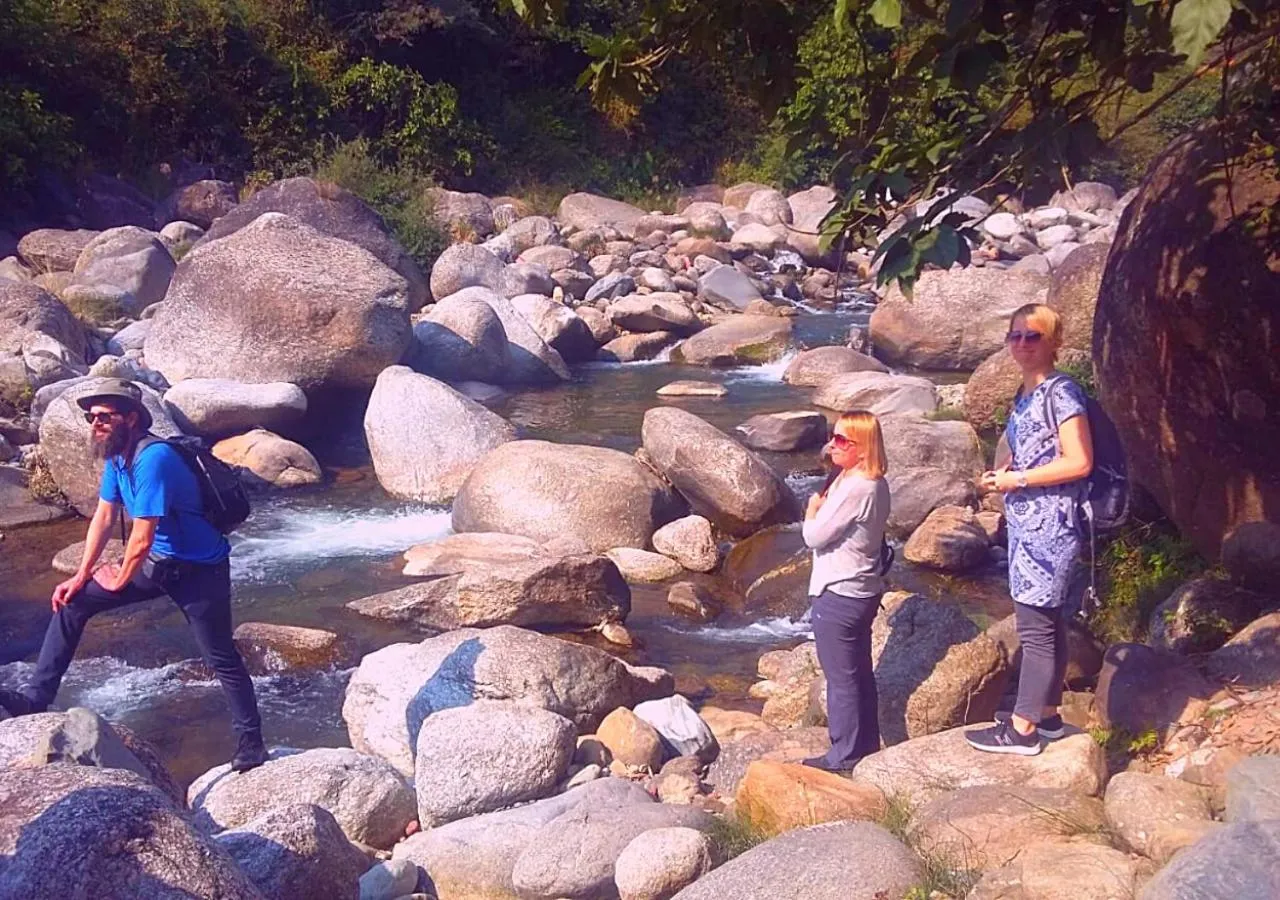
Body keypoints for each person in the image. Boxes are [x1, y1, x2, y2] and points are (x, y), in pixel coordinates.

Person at [0, 379, 267, 772]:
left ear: (131, 418)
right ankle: (36, 698)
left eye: (104, 416)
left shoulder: (153, 458)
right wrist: (82, 575)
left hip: (199, 569)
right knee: (73, 601)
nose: (96, 424)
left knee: (220, 655)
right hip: (158, 564)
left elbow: (141, 535)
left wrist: (120, 578)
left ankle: (252, 742)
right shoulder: (117, 458)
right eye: (91, 417)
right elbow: (105, 517)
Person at [965, 304, 1094, 756]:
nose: (1021, 344)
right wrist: (1009, 470)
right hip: (1028, 524)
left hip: (1050, 529)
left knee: (1035, 628)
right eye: (1015, 335)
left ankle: (1021, 730)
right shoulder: (1028, 393)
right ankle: (1049, 714)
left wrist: (1015, 481)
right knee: (1049, 622)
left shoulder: (1062, 393)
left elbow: (1079, 461)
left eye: (1032, 336)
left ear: (1054, 342)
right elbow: (1043, 453)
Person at [801, 410, 891, 773]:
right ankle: (863, 745)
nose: (831, 445)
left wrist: (811, 511)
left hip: (841, 593)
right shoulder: (866, 480)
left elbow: (814, 536)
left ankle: (843, 755)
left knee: (842, 680)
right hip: (860, 589)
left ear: (863, 448)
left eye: (841, 441)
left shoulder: (858, 488)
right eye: (832, 436)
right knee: (858, 673)